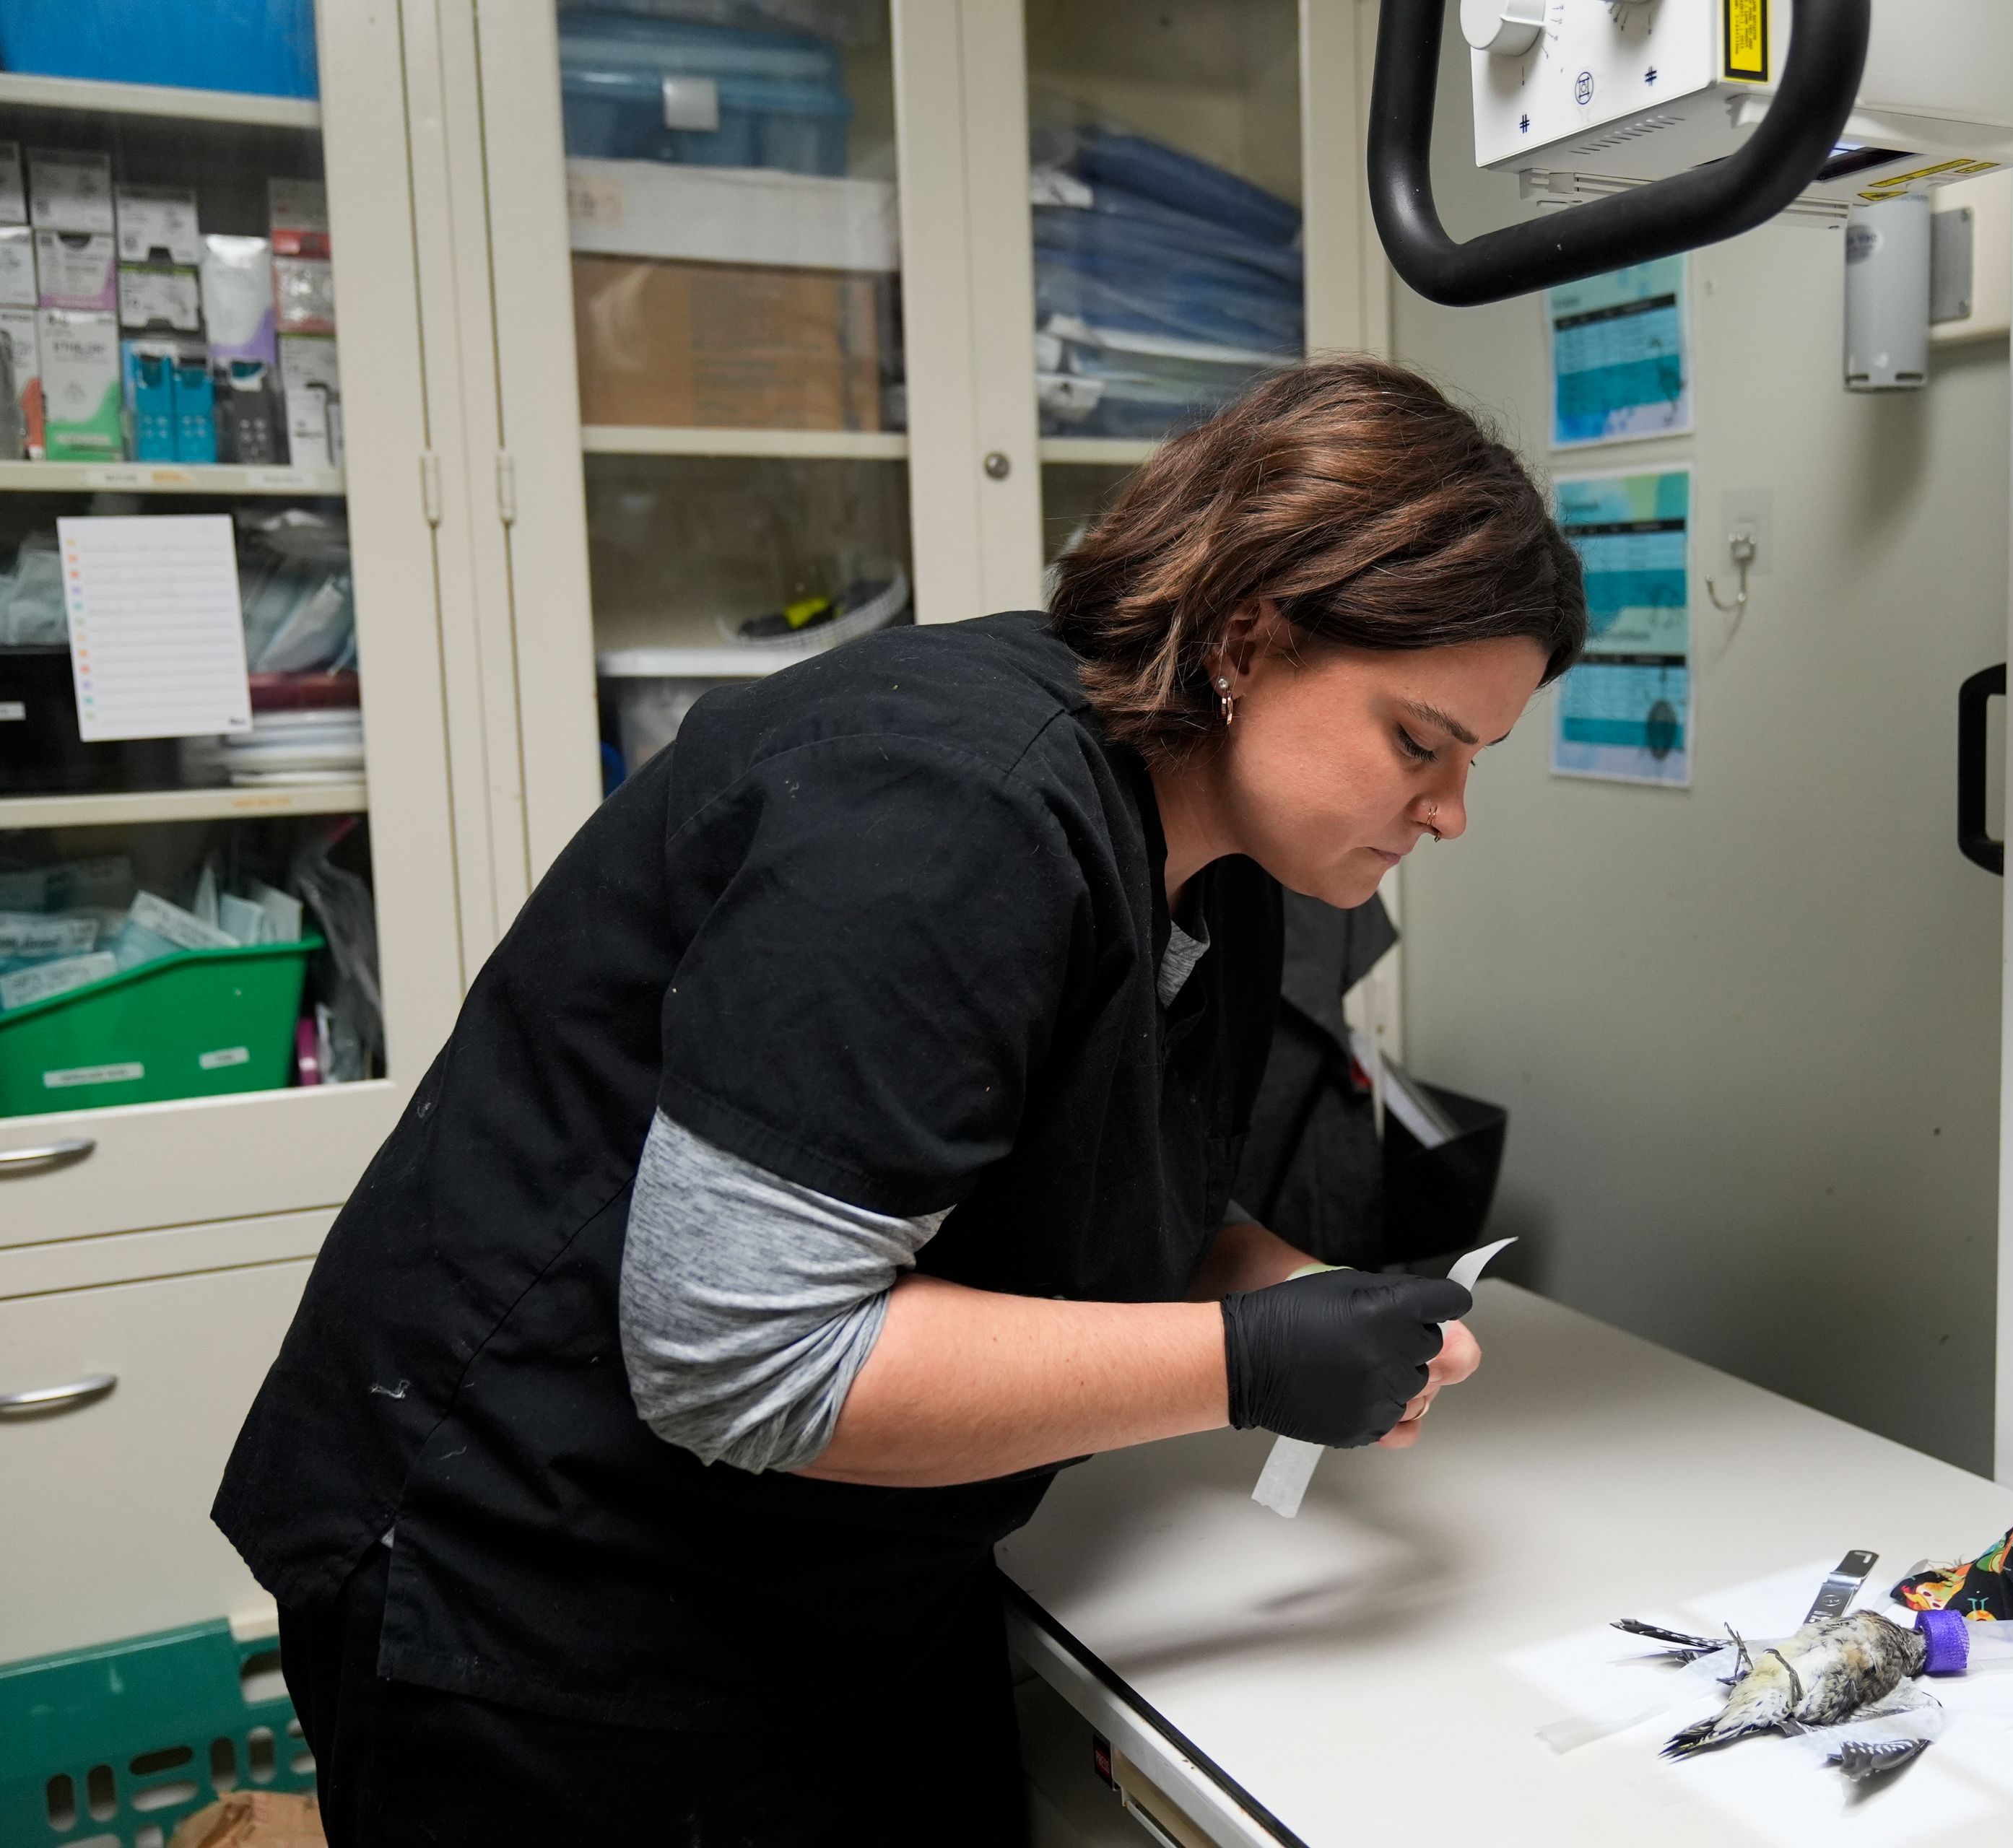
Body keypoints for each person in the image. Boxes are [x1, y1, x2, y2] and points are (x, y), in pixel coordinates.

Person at [212, 358, 1587, 1844]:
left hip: (845, 1557)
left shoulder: (1221, 861)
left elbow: (1105, 1178)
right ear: (1250, 637)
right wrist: (1248, 1361)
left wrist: (1297, 1288)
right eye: (1418, 740)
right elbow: (742, 1353)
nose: (1447, 811)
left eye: (1473, 761)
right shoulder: (956, 808)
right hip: (541, 1571)